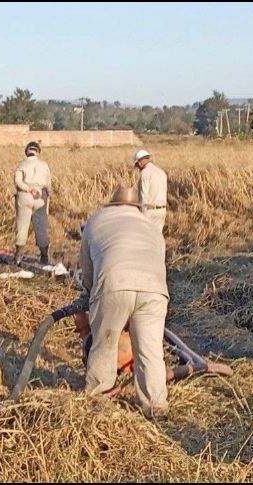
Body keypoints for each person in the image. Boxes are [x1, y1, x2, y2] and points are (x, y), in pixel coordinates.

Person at [79, 186, 169, 417]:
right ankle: (155, 405)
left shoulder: (97, 220)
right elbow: (159, 261)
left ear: (113, 204)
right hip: (154, 289)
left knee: (104, 343)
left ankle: (100, 401)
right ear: (135, 206)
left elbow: (87, 266)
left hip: (113, 284)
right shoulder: (150, 224)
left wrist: (88, 294)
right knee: (150, 350)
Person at [14, 141, 52, 264]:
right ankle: (44, 257)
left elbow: (18, 182)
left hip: (24, 195)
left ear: (27, 152)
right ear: (38, 152)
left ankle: (18, 257)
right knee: (41, 227)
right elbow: (48, 184)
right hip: (40, 195)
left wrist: (28, 189)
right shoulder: (44, 165)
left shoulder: (21, 165)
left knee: (22, 226)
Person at [134, 149, 168, 235]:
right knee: (157, 238)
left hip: (150, 211)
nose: (138, 168)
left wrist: (142, 215)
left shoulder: (145, 173)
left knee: (147, 238)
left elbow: (143, 196)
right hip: (162, 210)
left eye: (137, 165)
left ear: (140, 162)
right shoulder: (161, 172)